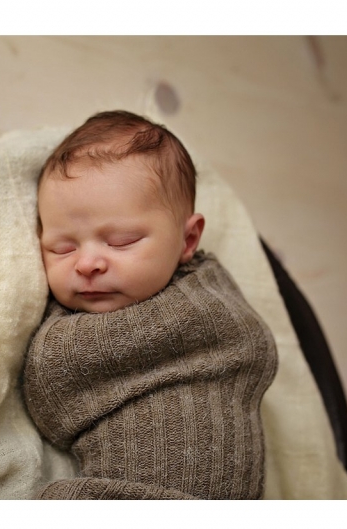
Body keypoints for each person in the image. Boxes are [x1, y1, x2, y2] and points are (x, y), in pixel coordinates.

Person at [23, 110, 278, 499]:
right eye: (63, 248)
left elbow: (51, 390)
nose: (87, 263)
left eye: (121, 241)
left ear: (187, 241)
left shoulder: (208, 306)